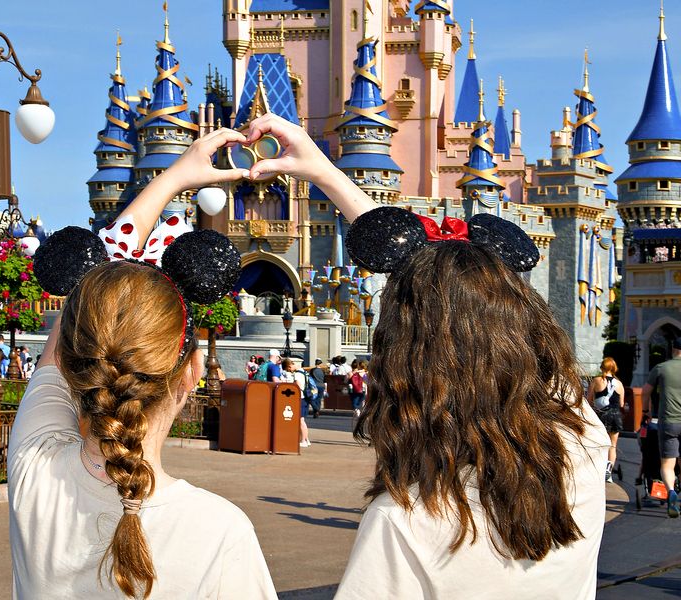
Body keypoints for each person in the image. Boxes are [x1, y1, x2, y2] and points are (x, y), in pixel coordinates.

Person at [244, 113, 609, 599]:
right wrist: (327, 174)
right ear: (525, 331)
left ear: (403, 363)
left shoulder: (406, 524)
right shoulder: (583, 451)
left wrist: (325, 175)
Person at [9, 127, 276, 599]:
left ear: (74, 363)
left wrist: (169, 178)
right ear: (192, 372)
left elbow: (80, 304)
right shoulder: (220, 533)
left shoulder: (36, 475)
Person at [643, 338, 681, 518]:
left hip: (668, 421)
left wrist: (645, 410)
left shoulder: (661, 368)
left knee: (667, 464)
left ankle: (671, 492)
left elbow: (646, 391)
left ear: (673, 349)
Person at [586, 357, 625, 483]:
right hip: (616, 415)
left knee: (599, 443)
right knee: (613, 446)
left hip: (601, 415)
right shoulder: (619, 384)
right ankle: (609, 472)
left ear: (602, 367)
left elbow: (589, 400)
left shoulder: (597, 380)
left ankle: (598, 468)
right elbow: (622, 404)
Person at [281, 358, 310, 448]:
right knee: (302, 420)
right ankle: (306, 439)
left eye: (288, 369)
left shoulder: (297, 374)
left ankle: (303, 441)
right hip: (306, 397)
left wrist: (292, 384)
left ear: (289, 366)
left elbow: (298, 386)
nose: (289, 371)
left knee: (300, 420)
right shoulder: (302, 371)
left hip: (300, 397)